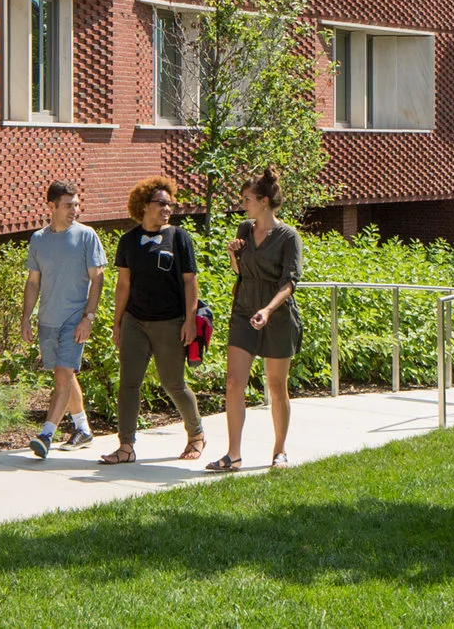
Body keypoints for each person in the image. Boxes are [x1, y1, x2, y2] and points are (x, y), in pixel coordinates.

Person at [100, 177, 204, 465]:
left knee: (173, 384)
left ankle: (196, 434)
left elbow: (190, 282)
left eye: (170, 204)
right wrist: (117, 323)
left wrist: (190, 321)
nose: (167, 209)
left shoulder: (179, 238)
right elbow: (123, 285)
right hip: (135, 321)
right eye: (161, 204)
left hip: (170, 322)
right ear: (144, 206)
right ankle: (126, 446)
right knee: (128, 384)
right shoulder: (128, 241)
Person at [208, 167, 303, 473]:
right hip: (244, 309)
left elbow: (289, 282)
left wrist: (268, 310)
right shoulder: (244, 229)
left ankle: (279, 451)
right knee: (234, 382)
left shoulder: (288, 236)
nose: (243, 204)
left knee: (276, 386)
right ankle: (233, 455)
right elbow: (240, 272)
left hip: (276, 315)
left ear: (264, 201)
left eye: (247, 199)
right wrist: (234, 255)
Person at [21, 182, 106, 458]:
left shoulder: (86, 236)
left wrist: (88, 318)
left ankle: (46, 435)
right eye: (69, 205)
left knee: (62, 376)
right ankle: (83, 428)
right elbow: (33, 282)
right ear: (52, 207)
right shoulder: (39, 240)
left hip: (74, 318)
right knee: (64, 374)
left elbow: (98, 278)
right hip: (48, 320)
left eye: (77, 204)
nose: (75, 210)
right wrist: (26, 318)